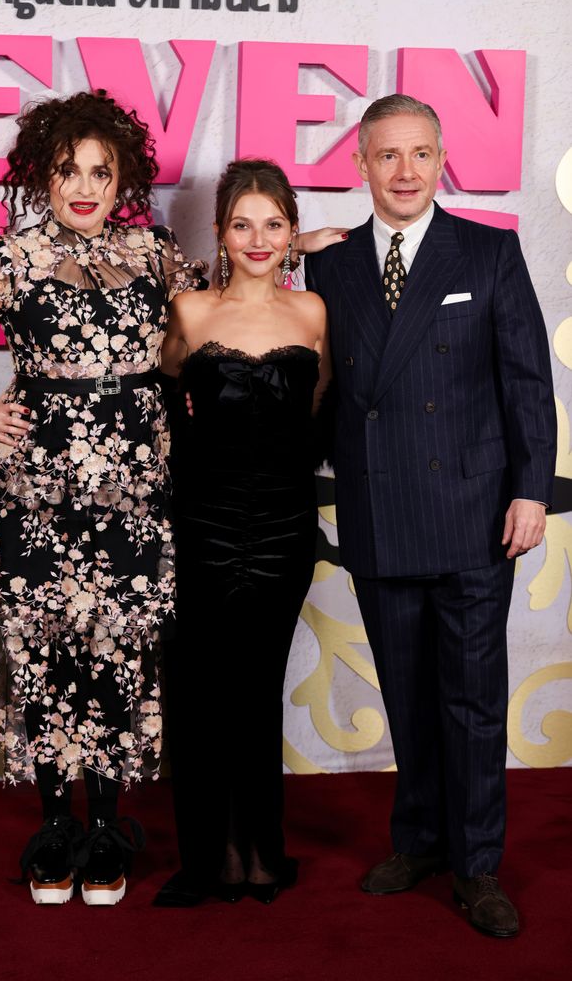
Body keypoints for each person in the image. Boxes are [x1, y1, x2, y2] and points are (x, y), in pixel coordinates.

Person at [0, 90, 206, 906]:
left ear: (123, 179)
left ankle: (105, 829)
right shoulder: (6, 257)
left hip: (133, 490)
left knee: (113, 653)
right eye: (69, 170)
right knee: (41, 655)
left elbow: (215, 322)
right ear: (42, 176)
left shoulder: (156, 254)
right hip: (34, 493)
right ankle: (56, 829)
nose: (86, 187)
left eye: (102, 172)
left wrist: (294, 248)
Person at [305, 94, 556, 938]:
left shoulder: (487, 251)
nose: (405, 171)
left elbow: (527, 381)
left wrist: (531, 490)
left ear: (443, 159)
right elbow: (325, 389)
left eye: (420, 154)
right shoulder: (332, 265)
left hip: (477, 514)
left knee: (473, 701)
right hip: (380, 507)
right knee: (407, 691)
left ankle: (477, 864)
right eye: (387, 155)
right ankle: (418, 840)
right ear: (360, 164)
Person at [153, 159, 333, 906]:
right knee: (201, 693)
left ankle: (260, 853)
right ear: (220, 234)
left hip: (286, 529)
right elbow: (163, 401)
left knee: (258, 691)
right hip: (203, 524)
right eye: (241, 224)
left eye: (274, 224)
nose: (258, 239)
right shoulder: (189, 311)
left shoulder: (313, 311)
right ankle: (208, 859)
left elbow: (317, 410)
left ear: (291, 232)